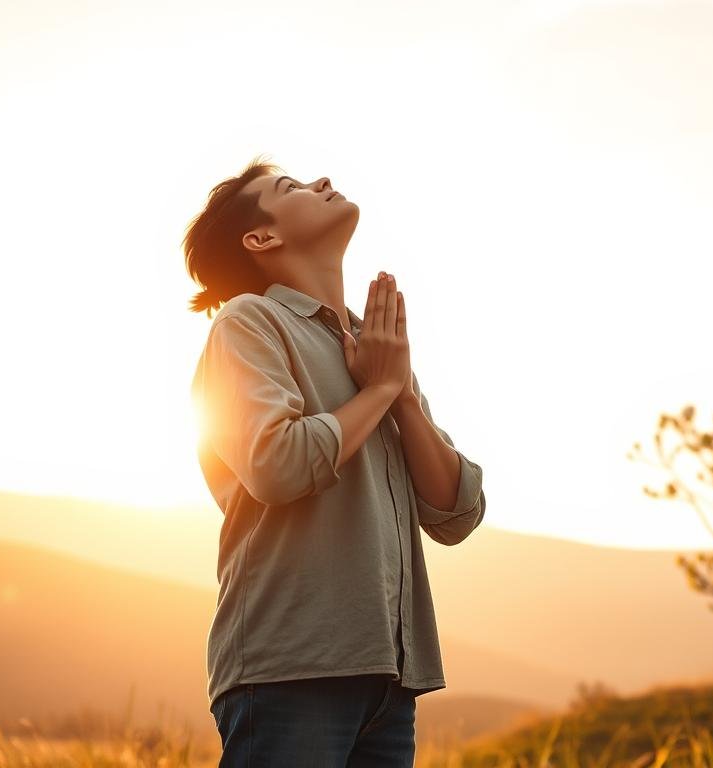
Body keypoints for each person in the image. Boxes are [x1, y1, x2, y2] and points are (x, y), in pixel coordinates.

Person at [182, 155, 487, 766]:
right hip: (289, 670)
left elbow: (457, 512)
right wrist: (380, 390)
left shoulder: (376, 349)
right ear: (261, 239)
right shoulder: (248, 323)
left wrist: (400, 394)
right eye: (290, 187)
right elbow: (279, 465)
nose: (320, 182)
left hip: (390, 676)